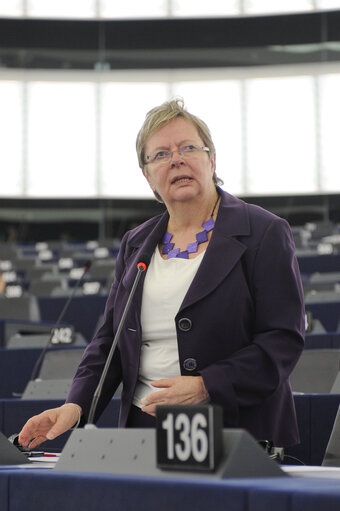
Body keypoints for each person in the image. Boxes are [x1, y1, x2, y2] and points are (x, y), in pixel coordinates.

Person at [19, 98, 305, 450]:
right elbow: (109, 341)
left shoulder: (264, 232)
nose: (177, 160)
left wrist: (206, 385)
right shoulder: (135, 244)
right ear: (148, 175)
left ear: (211, 159)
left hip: (238, 431)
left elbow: (282, 340)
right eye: (161, 154)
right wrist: (75, 405)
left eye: (188, 148)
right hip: (144, 431)